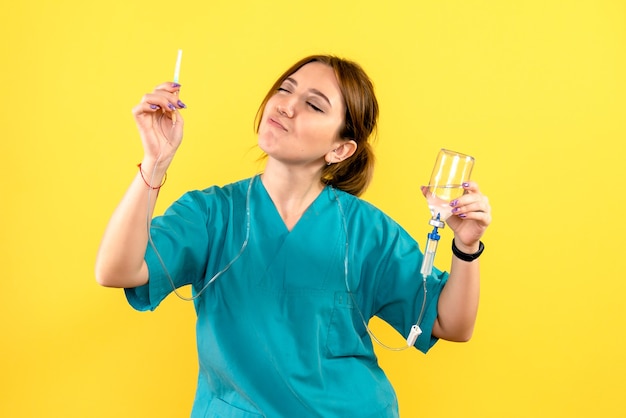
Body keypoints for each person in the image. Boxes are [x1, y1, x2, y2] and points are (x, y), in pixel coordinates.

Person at [95, 54, 492, 418]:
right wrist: (155, 161)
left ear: (340, 148)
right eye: (285, 89)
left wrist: (466, 247)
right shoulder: (212, 214)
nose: (286, 104)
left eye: (314, 104)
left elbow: (449, 323)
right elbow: (117, 270)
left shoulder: (367, 231)